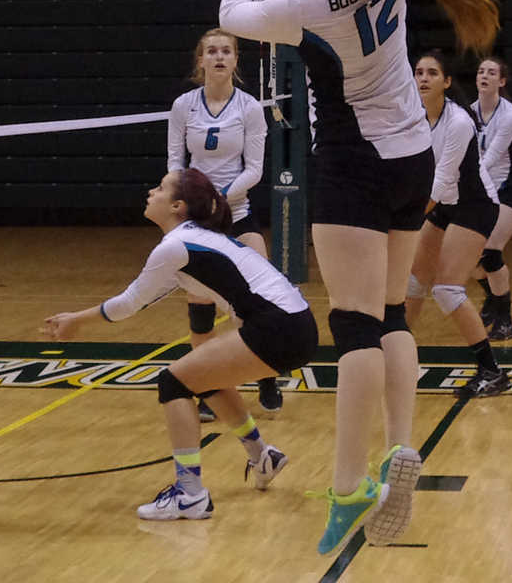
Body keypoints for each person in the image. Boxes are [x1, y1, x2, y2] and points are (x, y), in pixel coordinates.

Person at [218, 0, 512, 554]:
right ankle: (398, 445)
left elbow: (229, 15)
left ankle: (350, 485)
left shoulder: (313, 2)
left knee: (352, 326)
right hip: (412, 159)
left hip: (353, 165)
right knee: (389, 315)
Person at [43, 168, 317, 520]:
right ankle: (263, 456)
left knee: (173, 381)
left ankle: (190, 494)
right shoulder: (197, 239)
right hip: (295, 323)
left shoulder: (175, 246)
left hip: (279, 326)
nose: (150, 192)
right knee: (203, 377)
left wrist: (76, 319)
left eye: (158, 188)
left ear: (177, 205)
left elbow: (128, 304)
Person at [167, 29, 282, 416]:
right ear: (200, 61)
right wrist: (185, 199)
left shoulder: (249, 107)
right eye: (212, 51)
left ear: (235, 60)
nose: (219, 57)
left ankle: (267, 374)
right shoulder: (184, 105)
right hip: (199, 219)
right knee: (200, 305)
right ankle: (209, 389)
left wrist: (220, 198)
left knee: (260, 297)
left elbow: (255, 169)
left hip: (237, 211)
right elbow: (174, 162)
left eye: (226, 51)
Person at [405, 52, 511, 395]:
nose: (423, 78)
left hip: (474, 205)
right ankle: (395, 356)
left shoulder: (459, 121)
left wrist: (401, 221)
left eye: (432, 73)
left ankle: (492, 371)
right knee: (413, 281)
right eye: (418, 72)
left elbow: (441, 181)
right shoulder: (412, 116)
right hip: (444, 204)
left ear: (446, 82)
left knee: (446, 288)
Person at [470, 58, 512, 341]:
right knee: (468, 255)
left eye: (492, 73)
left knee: (491, 251)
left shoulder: (511, 115)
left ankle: (505, 320)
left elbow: (490, 159)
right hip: (483, 187)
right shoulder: (468, 113)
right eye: (481, 71)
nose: (485, 75)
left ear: (501, 82)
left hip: (510, 188)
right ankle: (493, 299)